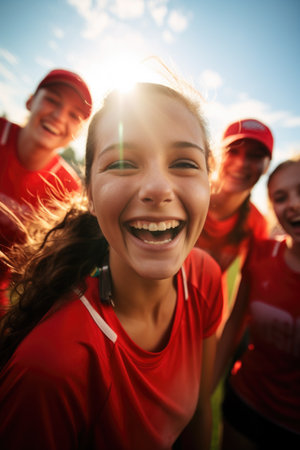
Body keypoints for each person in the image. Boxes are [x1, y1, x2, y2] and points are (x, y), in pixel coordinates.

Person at [0, 81, 223, 450]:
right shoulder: (49, 368)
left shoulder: (205, 277)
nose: (157, 188)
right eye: (121, 162)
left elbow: (199, 415)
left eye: (184, 162)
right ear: (88, 192)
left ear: (208, 182)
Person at [214, 156, 300, 449]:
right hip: (246, 403)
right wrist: (204, 392)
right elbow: (235, 324)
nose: (293, 204)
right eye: (280, 197)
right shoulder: (262, 254)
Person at [0, 68, 93, 315]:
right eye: (52, 100)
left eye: (74, 115)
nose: (60, 116)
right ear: (31, 101)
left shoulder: (68, 189)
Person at [195, 118, 273, 326]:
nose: (241, 163)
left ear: (266, 167)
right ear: (216, 156)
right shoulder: (190, 196)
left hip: (206, 317)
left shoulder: (256, 222)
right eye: (233, 151)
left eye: (255, 156)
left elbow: (244, 296)